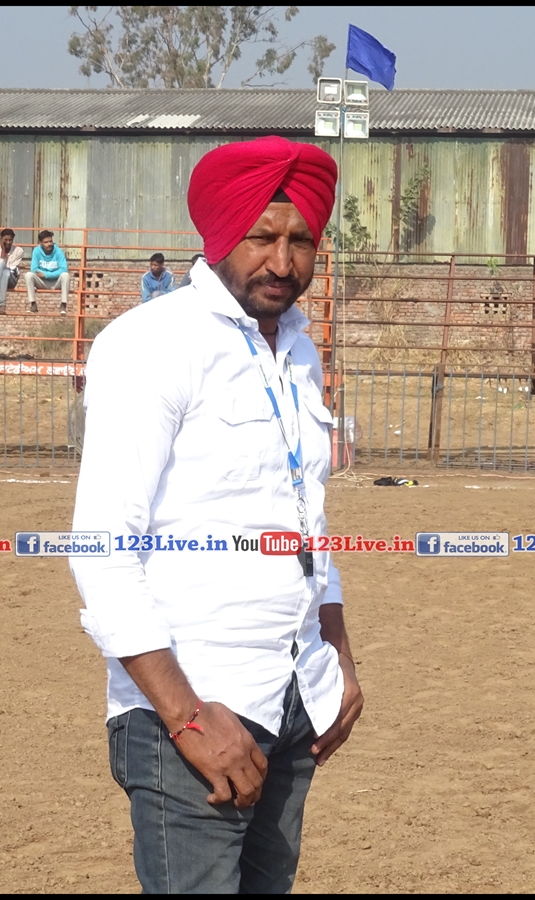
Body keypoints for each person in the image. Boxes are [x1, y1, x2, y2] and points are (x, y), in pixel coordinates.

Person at [70, 136, 363, 894]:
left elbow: (307, 518)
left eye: (301, 240)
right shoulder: (151, 345)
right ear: (222, 233)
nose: (282, 262)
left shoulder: (298, 351)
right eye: (262, 237)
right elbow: (101, 549)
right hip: (195, 711)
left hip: (294, 695)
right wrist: (189, 717)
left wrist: (336, 653)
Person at [25, 230, 70, 314]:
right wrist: (43, 275)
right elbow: (34, 269)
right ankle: (33, 304)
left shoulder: (58, 251)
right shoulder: (36, 251)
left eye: (50, 241)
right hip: (42, 282)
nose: (49, 244)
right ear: (40, 243)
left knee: (65, 275)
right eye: (46, 242)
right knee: (28, 275)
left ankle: (63, 305)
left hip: (56, 282)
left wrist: (46, 274)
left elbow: (63, 269)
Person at [0, 228, 23, 314]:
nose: (8, 242)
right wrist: (3, 251)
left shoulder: (19, 251)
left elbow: (12, 267)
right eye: (6, 240)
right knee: (3, 270)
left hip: (12, 279)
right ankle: (2, 305)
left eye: (10, 240)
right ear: (1, 239)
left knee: (5, 270)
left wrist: (2, 262)